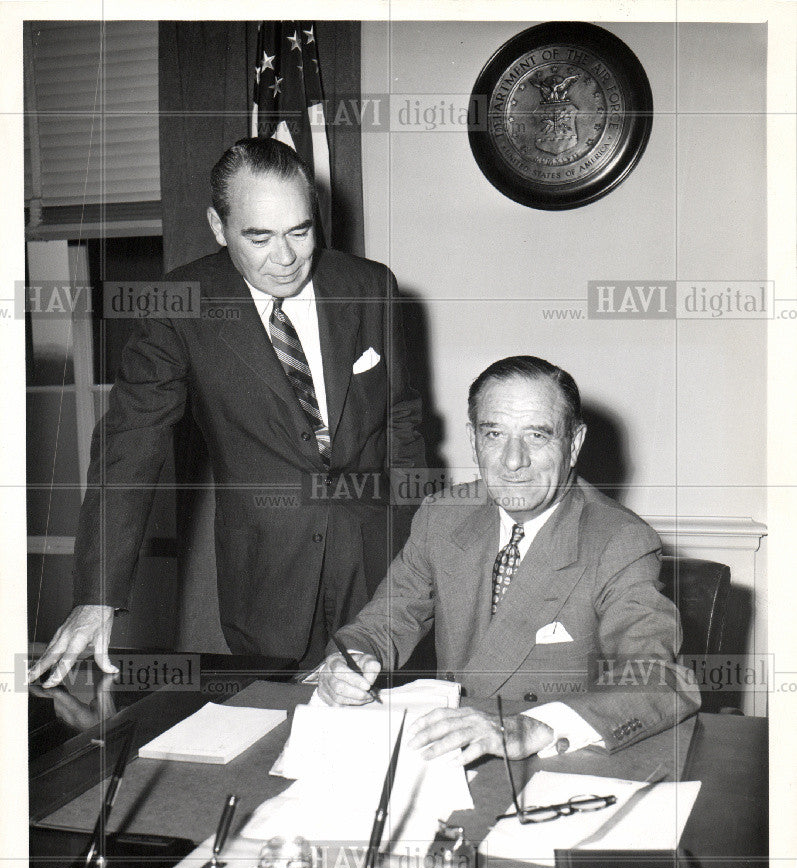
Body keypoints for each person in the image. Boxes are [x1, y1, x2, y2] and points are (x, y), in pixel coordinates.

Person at [29, 138, 425, 688]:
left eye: (300, 231)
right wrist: (98, 594)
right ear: (218, 226)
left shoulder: (369, 286)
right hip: (268, 571)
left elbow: (401, 416)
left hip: (380, 557)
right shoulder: (178, 304)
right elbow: (130, 445)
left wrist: (414, 534)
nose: (284, 258)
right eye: (258, 237)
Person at [316, 355, 700, 764]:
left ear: (574, 443)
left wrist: (538, 727)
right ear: (473, 438)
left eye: (537, 435)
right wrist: (347, 661)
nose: (513, 461)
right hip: (449, 752)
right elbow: (384, 622)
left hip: (556, 760)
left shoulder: (619, 541)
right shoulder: (443, 515)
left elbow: (660, 681)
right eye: (495, 434)